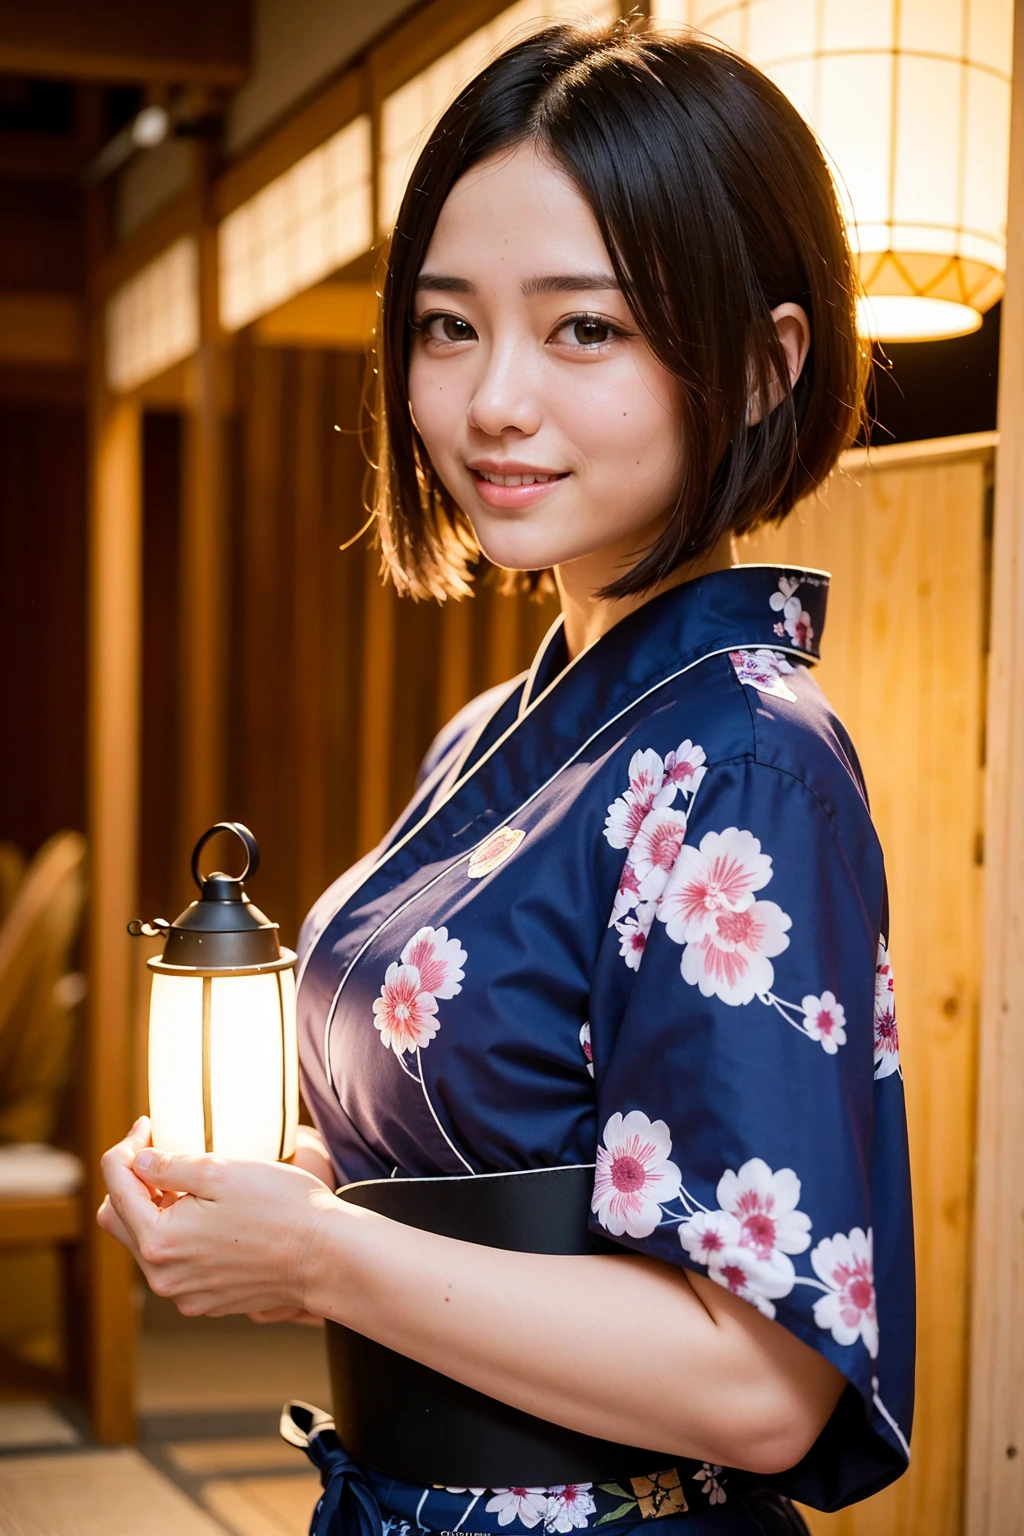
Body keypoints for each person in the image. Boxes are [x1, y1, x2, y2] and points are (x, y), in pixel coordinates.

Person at [99, 19, 914, 1535]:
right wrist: (271, 1196)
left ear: (759, 364)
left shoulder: (742, 762)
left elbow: (764, 1384)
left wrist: (321, 1255)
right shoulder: (487, 734)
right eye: (449, 324)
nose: (491, 403)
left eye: (584, 328)